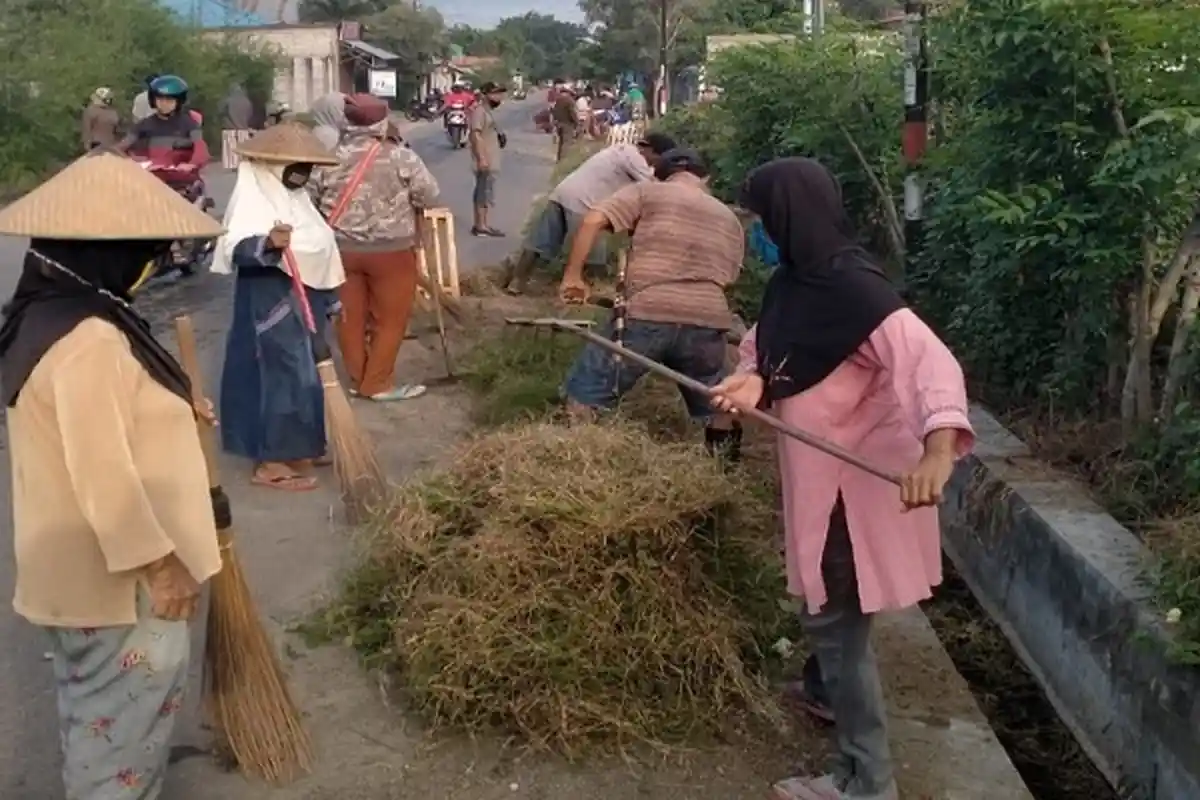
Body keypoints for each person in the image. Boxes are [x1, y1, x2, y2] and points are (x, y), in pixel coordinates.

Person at [709, 157, 974, 800]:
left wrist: (938, 455)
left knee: (837, 630)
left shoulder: (859, 293)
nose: (759, 229)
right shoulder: (792, 285)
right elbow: (769, 351)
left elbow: (931, 367)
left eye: (763, 217)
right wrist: (754, 381)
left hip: (848, 499)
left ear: (790, 215)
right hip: (816, 486)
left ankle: (867, 782)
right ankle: (844, 739)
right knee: (836, 627)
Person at [0, 151, 225, 800]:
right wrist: (162, 566)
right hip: (120, 589)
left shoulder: (51, 316)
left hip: (77, 586)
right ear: (108, 254)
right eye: (143, 254)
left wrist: (172, 409)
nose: (149, 267)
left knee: (96, 727)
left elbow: (92, 421)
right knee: (118, 762)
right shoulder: (89, 342)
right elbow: (105, 476)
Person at [558, 149, 746, 458]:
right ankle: (725, 478)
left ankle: (576, 466)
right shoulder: (729, 218)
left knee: (587, 393)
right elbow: (729, 277)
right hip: (708, 318)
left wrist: (573, 277)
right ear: (706, 178)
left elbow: (593, 219)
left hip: (647, 313)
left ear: (659, 174)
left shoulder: (647, 191)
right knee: (718, 404)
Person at [211, 123, 344, 491]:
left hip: (308, 303)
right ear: (270, 167)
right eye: (294, 163)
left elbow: (321, 248)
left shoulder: (298, 202)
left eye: (306, 164)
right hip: (272, 305)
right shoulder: (254, 201)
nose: (302, 171)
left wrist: (331, 298)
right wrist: (268, 243)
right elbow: (238, 248)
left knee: (309, 374)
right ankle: (270, 460)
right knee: (279, 377)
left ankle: (301, 445)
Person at [309, 93, 440, 402]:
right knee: (389, 318)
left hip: (340, 251)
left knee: (348, 317)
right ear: (382, 123)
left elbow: (310, 200)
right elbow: (429, 195)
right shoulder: (401, 157)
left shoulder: (326, 156)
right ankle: (378, 383)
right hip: (391, 252)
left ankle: (358, 378)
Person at [501, 132, 676, 295]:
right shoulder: (635, 158)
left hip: (563, 193)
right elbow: (653, 188)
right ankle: (587, 290)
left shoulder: (620, 150)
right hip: (584, 202)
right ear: (651, 151)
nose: (657, 164)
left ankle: (516, 282)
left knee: (542, 241)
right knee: (593, 252)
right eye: (660, 159)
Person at [115, 74, 210, 191]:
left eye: (169, 100)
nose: (164, 103)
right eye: (160, 99)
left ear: (179, 101)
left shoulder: (189, 124)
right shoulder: (143, 125)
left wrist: (191, 164)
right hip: (151, 179)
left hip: (182, 180)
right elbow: (123, 145)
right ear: (153, 100)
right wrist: (109, 155)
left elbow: (200, 148)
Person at [468, 81, 507, 238]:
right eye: (495, 94)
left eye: (500, 94)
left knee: (485, 191)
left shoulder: (488, 111)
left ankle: (483, 224)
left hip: (491, 159)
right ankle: (481, 226)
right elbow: (475, 135)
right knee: (482, 192)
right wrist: (482, 158)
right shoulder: (479, 112)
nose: (499, 97)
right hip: (485, 160)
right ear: (485, 95)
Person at [219, 82, 255, 170]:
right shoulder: (247, 101)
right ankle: (242, 163)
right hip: (243, 128)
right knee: (242, 147)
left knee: (231, 148)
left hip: (230, 128)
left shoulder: (227, 101)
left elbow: (221, 112)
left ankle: (233, 164)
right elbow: (250, 114)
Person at [81, 87, 120, 151]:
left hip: (97, 144)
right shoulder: (113, 112)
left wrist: (87, 146)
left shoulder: (91, 110)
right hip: (109, 144)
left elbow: (86, 130)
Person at [551, 85, 579, 162]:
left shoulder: (558, 100)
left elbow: (553, 111)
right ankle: (563, 160)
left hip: (559, 123)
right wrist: (577, 123)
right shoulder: (569, 100)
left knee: (561, 142)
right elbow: (573, 113)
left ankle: (559, 158)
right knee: (566, 142)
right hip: (567, 124)